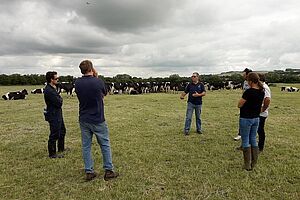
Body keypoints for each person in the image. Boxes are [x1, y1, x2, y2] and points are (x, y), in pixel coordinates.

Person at [75, 60, 119, 181]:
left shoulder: (77, 83)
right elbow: (104, 93)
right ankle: (108, 170)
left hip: (84, 118)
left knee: (86, 146)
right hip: (98, 118)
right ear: (91, 68)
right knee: (104, 144)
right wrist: (97, 76)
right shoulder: (98, 81)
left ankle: (89, 171)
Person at [237, 72, 265, 170]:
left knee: (245, 140)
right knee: (253, 138)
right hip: (256, 118)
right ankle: (254, 162)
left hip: (246, 118)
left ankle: (247, 165)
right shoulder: (262, 91)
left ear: (251, 81)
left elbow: (239, 104)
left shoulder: (248, 92)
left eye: (247, 80)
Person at [44, 71, 67, 158]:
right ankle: (52, 153)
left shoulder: (53, 88)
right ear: (51, 79)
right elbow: (59, 103)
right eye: (56, 78)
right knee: (54, 134)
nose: (58, 80)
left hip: (57, 113)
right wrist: (60, 98)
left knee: (62, 131)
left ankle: (61, 148)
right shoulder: (49, 91)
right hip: (53, 114)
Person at [234, 68, 252, 141]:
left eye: (244, 74)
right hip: (244, 103)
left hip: (251, 104)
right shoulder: (244, 82)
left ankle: (250, 134)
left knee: (250, 120)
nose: (243, 75)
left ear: (248, 74)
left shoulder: (253, 83)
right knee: (242, 119)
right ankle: (240, 134)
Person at [257, 73, 271, 153]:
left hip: (262, 114)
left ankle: (260, 147)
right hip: (259, 113)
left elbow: (267, 99)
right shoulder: (261, 87)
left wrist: (263, 109)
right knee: (258, 130)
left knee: (260, 130)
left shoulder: (264, 88)